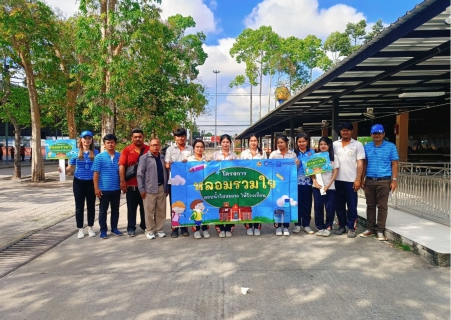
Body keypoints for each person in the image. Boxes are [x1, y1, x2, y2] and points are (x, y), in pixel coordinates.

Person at [360, 124, 399, 241]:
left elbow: (394, 163)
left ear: (383, 134)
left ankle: (380, 230)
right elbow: (365, 163)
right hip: (370, 180)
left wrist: (394, 180)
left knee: (382, 206)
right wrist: (362, 179)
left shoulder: (391, 146)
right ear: (371, 135)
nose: (377, 135)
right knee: (370, 205)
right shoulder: (366, 147)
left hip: (384, 180)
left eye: (379, 133)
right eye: (374, 133)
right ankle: (370, 228)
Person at [62, 131, 99, 239]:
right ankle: (80, 229)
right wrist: (63, 170)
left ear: (92, 140)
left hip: (91, 182)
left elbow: (98, 168)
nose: (87, 140)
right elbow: (71, 168)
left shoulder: (96, 152)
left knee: (91, 206)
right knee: (79, 206)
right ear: (81, 139)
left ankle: (90, 227)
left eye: (89, 138)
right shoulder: (75, 152)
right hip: (78, 182)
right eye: (85, 138)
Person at [333, 122, 365, 238]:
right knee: (339, 205)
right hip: (336, 180)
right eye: (343, 130)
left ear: (352, 131)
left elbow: (360, 163)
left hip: (351, 180)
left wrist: (358, 179)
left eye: (347, 130)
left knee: (352, 206)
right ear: (340, 132)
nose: (345, 132)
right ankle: (342, 226)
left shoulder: (357, 145)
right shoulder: (334, 144)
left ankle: (351, 228)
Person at [119, 129, 150, 237]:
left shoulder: (148, 149)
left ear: (143, 137)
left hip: (145, 186)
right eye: (135, 137)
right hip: (131, 186)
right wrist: (122, 181)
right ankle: (131, 227)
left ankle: (145, 225)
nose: (138, 139)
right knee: (131, 209)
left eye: (140, 137)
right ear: (132, 138)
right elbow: (122, 165)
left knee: (145, 208)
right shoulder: (127, 150)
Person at [137, 137, 168, 240]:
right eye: (153, 145)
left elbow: (166, 173)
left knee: (161, 211)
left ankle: (159, 229)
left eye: (157, 145)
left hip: (161, 188)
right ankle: (150, 230)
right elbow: (140, 175)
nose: (155, 147)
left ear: (160, 146)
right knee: (149, 211)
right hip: (149, 189)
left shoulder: (163, 158)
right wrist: (142, 189)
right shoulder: (144, 158)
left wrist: (166, 187)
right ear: (149, 146)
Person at [92, 134, 122, 239]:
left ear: (115, 143)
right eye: (108, 142)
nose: (110, 144)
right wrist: (96, 187)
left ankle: (114, 228)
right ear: (104, 144)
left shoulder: (120, 156)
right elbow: (96, 173)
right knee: (103, 211)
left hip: (116, 189)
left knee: (115, 210)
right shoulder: (99, 157)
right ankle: (103, 230)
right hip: (103, 189)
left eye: (112, 142)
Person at [269, 135, 300, 236]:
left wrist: (297, 163)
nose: (280, 144)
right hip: (276, 185)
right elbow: (268, 167)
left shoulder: (292, 154)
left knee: (287, 204)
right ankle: (278, 227)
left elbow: (296, 168)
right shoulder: (273, 154)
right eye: (278, 143)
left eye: (282, 142)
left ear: (287, 143)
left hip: (289, 185)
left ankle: (286, 226)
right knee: (277, 204)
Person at [165, 128, 193, 238]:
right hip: (175, 182)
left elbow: (195, 162)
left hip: (188, 181)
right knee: (174, 205)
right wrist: (173, 164)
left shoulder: (190, 149)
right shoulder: (170, 149)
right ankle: (174, 228)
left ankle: (184, 227)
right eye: (178, 136)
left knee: (186, 203)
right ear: (174, 138)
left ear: (185, 137)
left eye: (182, 136)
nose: (180, 138)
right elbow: (167, 165)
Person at [240, 133, 267, 236]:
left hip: (259, 183)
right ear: (248, 142)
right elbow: (240, 168)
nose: (253, 143)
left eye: (255, 141)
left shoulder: (262, 153)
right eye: (251, 141)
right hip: (246, 183)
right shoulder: (244, 153)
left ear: (258, 142)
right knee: (248, 205)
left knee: (258, 204)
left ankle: (257, 226)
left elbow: (266, 167)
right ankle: (248, 226)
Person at [311, 137, 339, 237]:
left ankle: (328, 227)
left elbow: (335, 172)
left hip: (330, 187)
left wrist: (328, 185)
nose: (323, 146)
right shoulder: (315, 156)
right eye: (321, 144)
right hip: (317, 186)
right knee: (318, 207)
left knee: (330, 207)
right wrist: (314, 182)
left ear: (329, 145)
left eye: (325, 144)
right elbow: (311, 171)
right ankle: (320, 227)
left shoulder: (334, 157)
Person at [212, 134, 237, 238]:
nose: (225, 144)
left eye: (227, 142)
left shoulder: (234, 155)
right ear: (220, 143)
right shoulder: (215, 155)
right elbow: (211, 169)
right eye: (223, 142)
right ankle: (220, 228)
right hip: (219, 185)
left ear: (230, 143)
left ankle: (229, 228)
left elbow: (238, 169)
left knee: (231, 206)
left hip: (231, 185)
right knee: (220, 206)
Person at [186, 139, 211, 239]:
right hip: (193, 188)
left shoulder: (207, 160)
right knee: (196, 209)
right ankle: (196, 230)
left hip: (205, 188)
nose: (199, 149)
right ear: (194, 148)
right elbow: (186, 172)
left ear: (204, 148)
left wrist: (211, 163)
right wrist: (183, 164)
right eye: (197, 147)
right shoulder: (189, 160)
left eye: (201, 147)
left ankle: (205, 229)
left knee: (204, 207)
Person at [293, 133, 315, 235]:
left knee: (307, 204)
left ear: (307, 142)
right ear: (297, 143)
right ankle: (297, 225)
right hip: (295, 183)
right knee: (297, 204)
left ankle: (306, 225)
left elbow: (316, 168)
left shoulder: (312, 153)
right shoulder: (293, 153)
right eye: (299, 141)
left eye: (303, 141)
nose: (301, 143)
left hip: (308, 183)